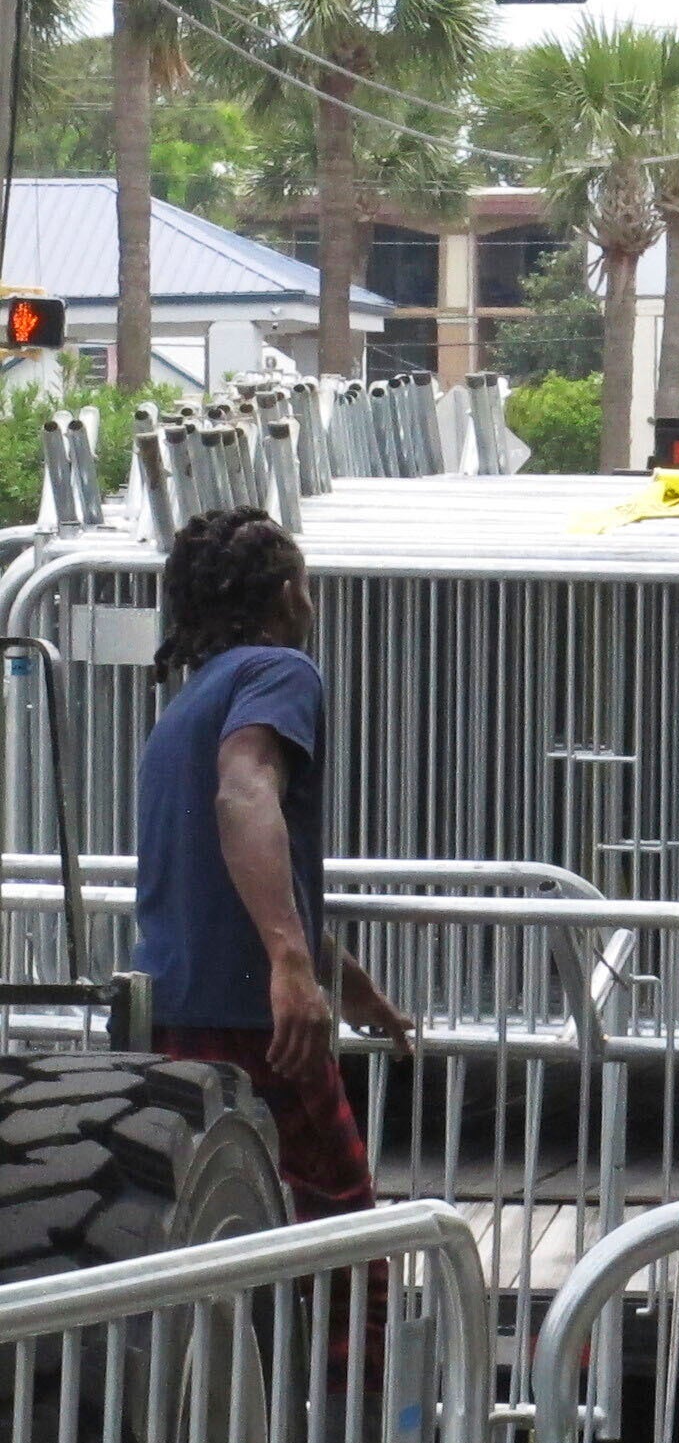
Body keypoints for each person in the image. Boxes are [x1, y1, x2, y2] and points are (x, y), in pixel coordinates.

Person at [135, 509, 417, 1216]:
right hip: (255, 1019)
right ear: (290, 593)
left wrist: (352, 989)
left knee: (218, 1236)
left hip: (172, 1013)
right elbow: (245, 791)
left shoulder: (187, 706)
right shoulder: (279, 672)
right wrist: (291, 969)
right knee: (345, 1249)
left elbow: (244, 880)